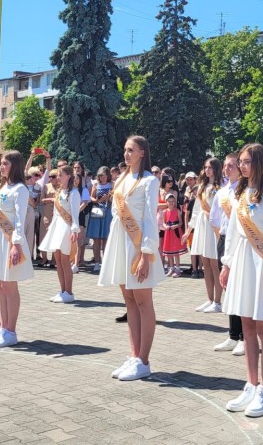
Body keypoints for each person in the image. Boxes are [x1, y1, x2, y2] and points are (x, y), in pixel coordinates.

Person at [220, 143, 263, 418]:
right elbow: (234, 232)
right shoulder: (241, 193)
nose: (241, 166)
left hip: (262, 262)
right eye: (241, 162)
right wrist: (226, 264)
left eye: (246, 162)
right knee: (246, 325)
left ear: (259, 163)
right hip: (243, 260)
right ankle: (251, 383)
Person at [101, 136, 163, 380]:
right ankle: (134, 355)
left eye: (131, 150)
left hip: (138, 246)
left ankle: (144, 360)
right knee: (129, 301)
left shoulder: (149, 181)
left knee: (143, 302)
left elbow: (149, 218)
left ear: (142, 153)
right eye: (125, 150)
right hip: (121, 243)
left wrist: (146, 253)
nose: (126, 154)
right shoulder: (121, 179)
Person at [0, 150, 35, 347]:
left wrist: (16, 245)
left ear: (15, 166)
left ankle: (11, 331)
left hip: (10, 241)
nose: (1, 167)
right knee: (0, 285)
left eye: (5, 164)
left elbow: (19, 220)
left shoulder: (20, 189)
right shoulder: (3, 187)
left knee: (9, 286)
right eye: (1, 163)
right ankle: (3, 327)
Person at [213, 152, 245, 355]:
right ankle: (233, 335)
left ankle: (244, 337)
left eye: (231, 165)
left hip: (241, 243)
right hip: (224, 240)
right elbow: (215, 220)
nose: (227, 168)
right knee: (228, 288)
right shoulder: (222, 192)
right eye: (225, 165)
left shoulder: (244, 191)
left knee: (240, 288)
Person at [39, 164, 80, 303]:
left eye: (60, 175)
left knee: (65, 261)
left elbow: (75, 213)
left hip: (66, 228)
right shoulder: (60, 191)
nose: (58, 177)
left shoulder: (74, 193)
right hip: (57, 226)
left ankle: (69, 292)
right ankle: (62, 291)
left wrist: (74, 230)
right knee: (58, 260)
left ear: (68, 176)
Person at [189, 158, 225, 314]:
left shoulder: (221, 186)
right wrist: (189, 229)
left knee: (215, 264)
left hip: (214, 227)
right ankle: (210, 299)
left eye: (210, 167)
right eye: (205, 167)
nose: (207, 170)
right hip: (203, 225)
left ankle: (218, 301)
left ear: (216, 169)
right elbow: (197, 209)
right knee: (206, 263)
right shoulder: (202, 186)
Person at [86, 167, 114, 273]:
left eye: (104, 176)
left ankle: (106, 263)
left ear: (108, 176)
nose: (103, 178)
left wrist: (109, 198)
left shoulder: (112, 184)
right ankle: (97, 262)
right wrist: (99, 200)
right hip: (97, 211)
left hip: (108, 212)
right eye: (101, 176)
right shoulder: (96, 184)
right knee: (96, 239)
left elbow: (116, 197)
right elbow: (91, 197)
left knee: (106, 238)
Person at [160, 191, 187, 276]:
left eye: (173, 201)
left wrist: (176, 225)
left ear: (175, 202)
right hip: (168, 233)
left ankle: (177, 268)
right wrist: (166, 226)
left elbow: (181, 222)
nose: (171, 203)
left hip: (175, 233)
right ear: (166, 202)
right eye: (169, 201)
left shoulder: (177, 211)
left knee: (176, 251)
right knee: (169, 251)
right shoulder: (165, 212)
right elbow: (163, 222)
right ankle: (171, 268)